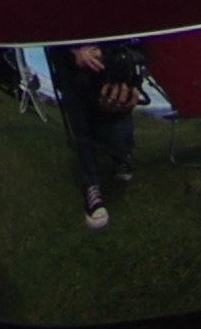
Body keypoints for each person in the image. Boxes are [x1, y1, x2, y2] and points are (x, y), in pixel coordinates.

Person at [46, 41, 146, 227]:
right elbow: (50, 41)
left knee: (115, 116)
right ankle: (92, 184)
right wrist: (74, 54)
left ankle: (121, 158)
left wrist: (113, 56)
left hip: (114, 60)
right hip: (72, 70)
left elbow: (139, 42)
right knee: (81, 123)